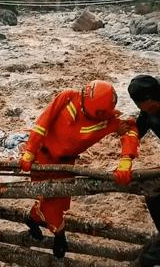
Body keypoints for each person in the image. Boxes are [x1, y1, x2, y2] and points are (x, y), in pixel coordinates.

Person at [19, 80, 139, 258]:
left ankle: (33, 219)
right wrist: (29, 151)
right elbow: (42, 122)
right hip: (42, 157)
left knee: (57, 201)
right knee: (49, 198)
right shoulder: (67, 97)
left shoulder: (106, 119)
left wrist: (126, 160)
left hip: (66, 165)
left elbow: (130, 129)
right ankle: (59, 235)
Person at [126, 75, 160, 267]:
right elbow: (138, 129)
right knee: (151, 191)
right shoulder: (148, 112)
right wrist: (125, 129)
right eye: (143, 105)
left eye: (150, 104)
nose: (147, 107)